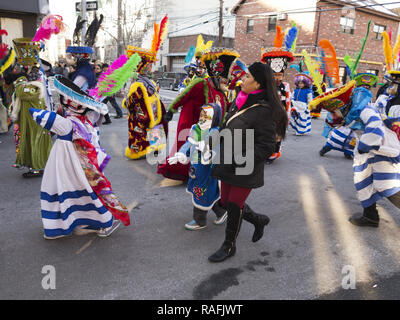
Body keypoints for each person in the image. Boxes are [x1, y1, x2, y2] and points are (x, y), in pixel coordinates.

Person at [29, 75, 130, 239]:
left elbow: (41, 116)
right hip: (74, 162)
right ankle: (91, 221)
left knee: (73, 190)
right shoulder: (84, 121)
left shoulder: (71, 122)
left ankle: (99, 221)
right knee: (78, 191)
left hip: (73, 164)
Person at [208, 62, 288, 262]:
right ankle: (258, 220)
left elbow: (267, 145)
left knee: (234, 205)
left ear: (258, 83)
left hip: (245, 167)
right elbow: (227, 124)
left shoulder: (264, 110)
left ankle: (229, 246)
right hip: (228, 160)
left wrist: (243, 159)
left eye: (248, 77)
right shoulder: (240, 101)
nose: (242, 80)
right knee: (225, 202)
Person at [157, 48, 238, 180]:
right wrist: (172, 110)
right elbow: (183, 96)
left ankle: (200, 172)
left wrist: (237, 104)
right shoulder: (201, 84)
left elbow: (224, 107)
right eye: (223, 79)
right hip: (192, 122)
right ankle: (185, 172)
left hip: (210, 128)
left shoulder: (221, 93)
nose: (225, 82)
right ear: (216, 76)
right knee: (189, 147)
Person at [168, 103, 227, 230]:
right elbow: (188, 144)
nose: (203, 117)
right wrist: (181, 154)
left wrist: (207, 150)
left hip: (207, 172)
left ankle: (200, 221)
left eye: (207, 115)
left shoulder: (215, 133)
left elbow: (217, 154)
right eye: (202, 114)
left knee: (201, 194)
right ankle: (221, 212)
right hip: (195, 169)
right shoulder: (195, 128)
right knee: (207, 194)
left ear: (214, 118)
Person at [122, 15, 169, 160]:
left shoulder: (141, 82)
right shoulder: (143, 82)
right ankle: (151, 148)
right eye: (148, 65)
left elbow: (134, 101)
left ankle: (146, 149)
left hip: (145, 114)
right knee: (148, 129)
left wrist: (126, 102)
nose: (150, 67)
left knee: (145, 130)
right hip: (148, 114)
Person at [9, 38, 52, 177]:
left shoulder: (36, 77)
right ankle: (33, 165)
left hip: (35, 115)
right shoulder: (30, 77)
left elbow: (24, 93)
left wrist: (20, 81)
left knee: (36, 140)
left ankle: (37, 167)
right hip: (29, 115)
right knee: (29, 139)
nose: (20, 68)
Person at [261, 25, 297, 164]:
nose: (278, 78)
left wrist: (289, 112)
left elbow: (288, 102)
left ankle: (274, 153)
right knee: (267, 136)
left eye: (280, 74)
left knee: (277, 136)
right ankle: (266, 152)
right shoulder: (265, 86)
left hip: (280, 116)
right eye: (275, 75)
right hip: (268, 116)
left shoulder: (286, 86)